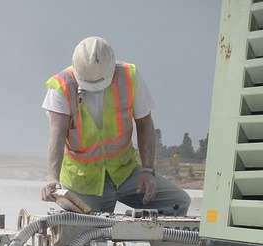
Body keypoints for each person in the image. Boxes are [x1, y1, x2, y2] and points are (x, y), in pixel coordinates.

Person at [40, 37, 190, 216]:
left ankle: (150, 240)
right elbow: (56, 135)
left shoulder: (130, 77)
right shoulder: (61, 87)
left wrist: (148, 170)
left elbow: (144, 123)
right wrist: (52, 178)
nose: (95, 87)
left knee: (179, 203)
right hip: (85, 181)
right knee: (90, 233)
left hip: (125, 173)